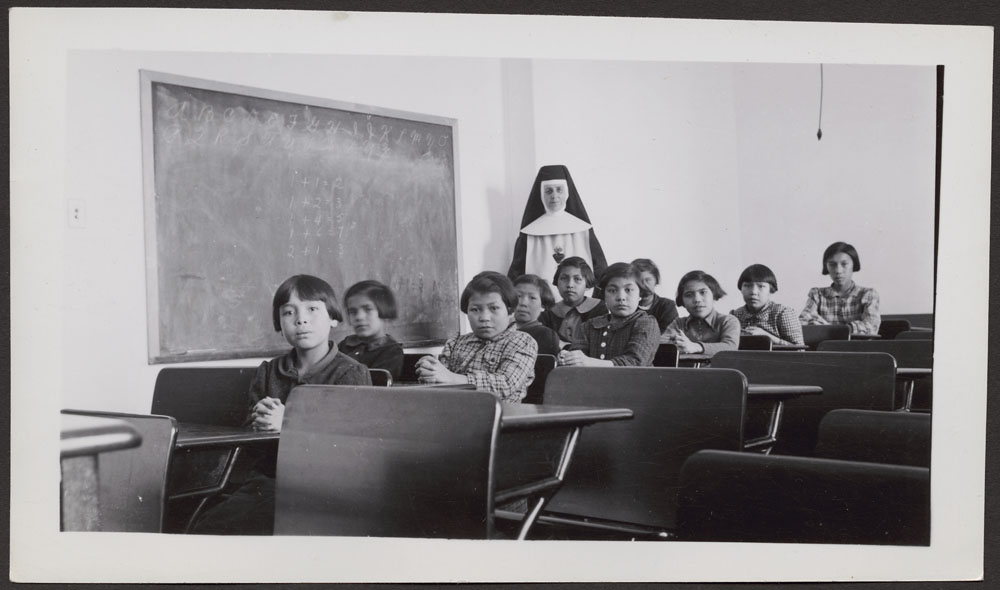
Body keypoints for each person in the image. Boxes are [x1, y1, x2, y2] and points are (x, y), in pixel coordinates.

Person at [193, 274, 371, 535]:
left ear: (333, 317)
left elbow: (352, 446)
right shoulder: (269, 371)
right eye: (289, 312)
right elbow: (248, 433)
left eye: (312, 309)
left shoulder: (351, 373)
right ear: (279, 322)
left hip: (323, 485)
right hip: (266, 479)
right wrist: (258, 421)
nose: (301, 319)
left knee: (217, 529)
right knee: (205, 521)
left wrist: (287, 425)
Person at [415, 271, 537, 404]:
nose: (484, 318)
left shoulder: (522, 341)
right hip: (455, 413)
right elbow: (440, 383)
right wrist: (430, 371)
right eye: (475, 310)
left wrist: (451, 377)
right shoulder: (455, 342)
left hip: (501, 417)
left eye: (494, 308)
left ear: (510, 310)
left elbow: (505, 384)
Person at [506, 165, 608, 287]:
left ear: (567, 192)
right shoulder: (529, 232)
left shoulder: (583, 229)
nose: (554, 196)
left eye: (559, 190)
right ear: (541, 194)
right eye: (548, 191)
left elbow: (600, 269)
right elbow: (516, 273)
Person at [558, 262, 659, 367]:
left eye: (628, 290)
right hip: (592, 382)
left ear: (640, 295)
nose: (621, 297)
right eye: (612, 290)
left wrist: (588, 362)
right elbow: (578, 354)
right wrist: (569, 358)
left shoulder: (646, 323)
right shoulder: (590, 325)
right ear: (604, 295)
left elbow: (635, 362)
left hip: (634, 382)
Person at [799, 241, 881, 335]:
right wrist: (848, 329)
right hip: (825, 348)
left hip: (859, 348)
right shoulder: (817, 294)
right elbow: (803, 322)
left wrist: (826, 328)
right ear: (826, 266)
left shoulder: (868, 294)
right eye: (832, 264)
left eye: (844, 264)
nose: (838, 270)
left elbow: (871, 327)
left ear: (854, 264)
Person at [663, 270, 740, 357]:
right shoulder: (678, 324)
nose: (697, 299)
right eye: (689, 295)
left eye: (703, 292)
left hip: (718, 370)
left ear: (714, 296)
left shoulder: (728, 321)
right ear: (682, 301)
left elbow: (730, 347)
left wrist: (695, 347)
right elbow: (662, 345)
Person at [338, 280, 405, 380]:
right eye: (353, 311)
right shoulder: (345, 345)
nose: (359, 317)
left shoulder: (391, 351)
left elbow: (375, 385)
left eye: (368, 309)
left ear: (384, 311)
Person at [538, 256, 608, 344]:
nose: (570, 285)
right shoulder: (550, 312)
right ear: (557, 282)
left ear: (587, 285)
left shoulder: (598, 308)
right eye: (564, 278)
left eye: (577, 279)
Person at [730, 264, 804, 346]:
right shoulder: (735, 316)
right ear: (741, 289)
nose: (753, 292)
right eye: (747, 286)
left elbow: (800, 350)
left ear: (771, 290)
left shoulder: (782, 313)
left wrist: (767, 337)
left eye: (761, 286)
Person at [512, 274, 562, 357]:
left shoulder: (545, 335)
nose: (523, 303)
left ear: (543, 306)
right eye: (518, 296)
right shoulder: (500, 330)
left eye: (532, 298)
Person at [631, 258, 680, 333]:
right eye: (638, 282)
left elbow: (669, 336)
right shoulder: (628, 308)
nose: (643, 286)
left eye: (647, 280)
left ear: (656, 280)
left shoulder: (667, 306)